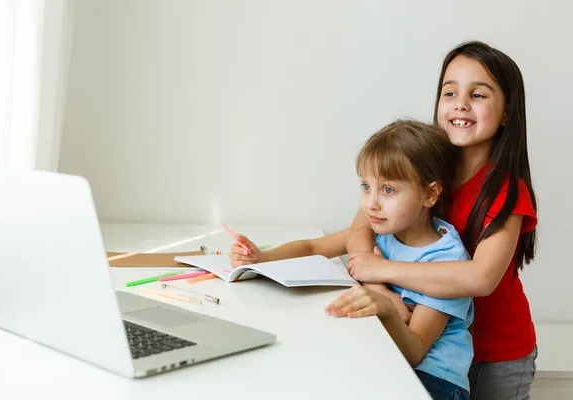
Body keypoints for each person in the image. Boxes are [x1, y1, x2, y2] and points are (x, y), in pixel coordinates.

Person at [345, 41, 538, 400]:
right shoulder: (426, 167)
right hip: (430, 345)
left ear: (508, 112)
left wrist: (381, 271)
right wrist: (380, 287)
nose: (461, 103)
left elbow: (480, 278)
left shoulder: (507, 190)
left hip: (494, 356)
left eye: (478, 95)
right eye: (450, 92)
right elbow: (362, 224)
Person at [230, 120, 472, 400]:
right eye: (366, 186)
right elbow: (312, 247)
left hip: (434, 382)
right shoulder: (383, 231)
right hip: (383, 360)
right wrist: (262, 256)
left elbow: (415, 352)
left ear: (429, 194)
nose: (371, 203)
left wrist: (386, 308)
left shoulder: (445, 259)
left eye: (388, 190)